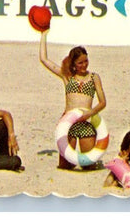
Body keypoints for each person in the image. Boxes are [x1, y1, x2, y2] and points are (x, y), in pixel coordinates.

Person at [38, 31, 106, 169]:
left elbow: (103, 102)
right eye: (80, 62)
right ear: (73, 63)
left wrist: (89, 113)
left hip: (86, 122)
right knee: (65, 165)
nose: (84, 65)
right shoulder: (67, 76)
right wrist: (43, 34)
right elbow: (44, 59)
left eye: (86, 61)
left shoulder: (94, 77)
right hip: (68, 124)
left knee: (88, 166)